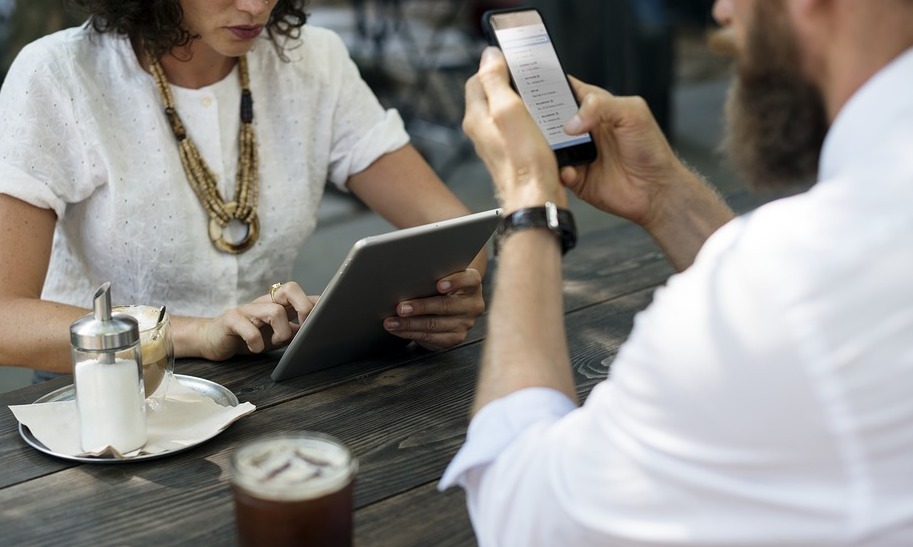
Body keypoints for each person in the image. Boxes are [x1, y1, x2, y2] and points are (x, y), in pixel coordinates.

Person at [439, 0, 913, 544]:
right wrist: (666, 199)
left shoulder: (798, 282)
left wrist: (528, 198)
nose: (722, 10)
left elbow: (526, 512)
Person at [0, 0, 488, 379]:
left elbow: (457, 234)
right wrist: (192, 333)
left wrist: (445, 299)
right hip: (109, 391)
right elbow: (6, 320)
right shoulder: (59, 75)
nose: (256, 7)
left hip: (262, 386)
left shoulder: (311, 60)